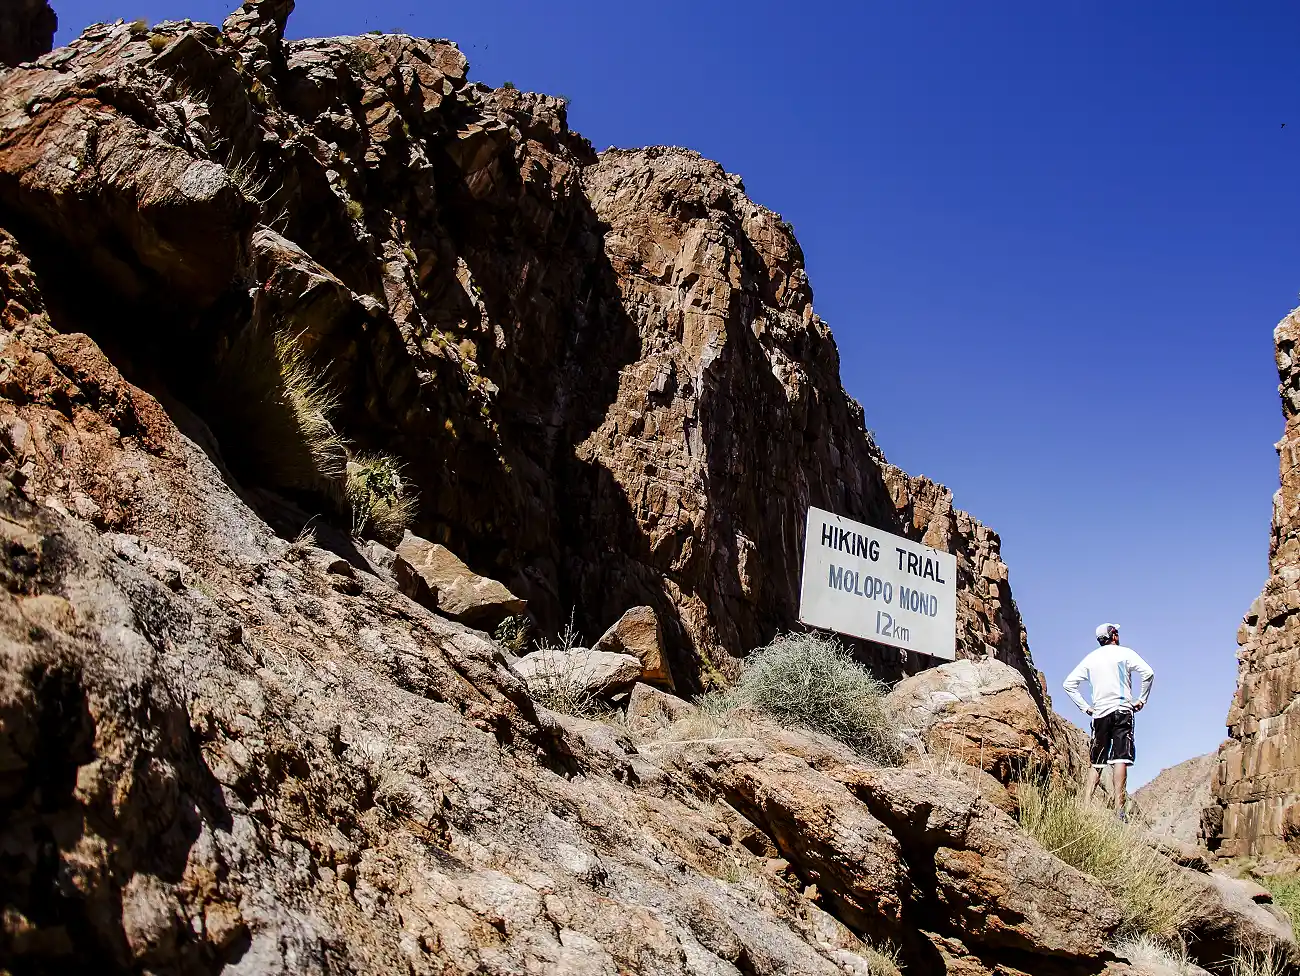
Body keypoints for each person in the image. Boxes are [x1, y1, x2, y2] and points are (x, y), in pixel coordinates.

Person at [1062, 623, 1155, 816]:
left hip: (1100, 714)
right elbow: (1148, 673)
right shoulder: (1125, 653)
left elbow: (1068, 684)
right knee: (1120, 759)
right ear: (1114, 636)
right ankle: (1119, 810)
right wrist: (1142, 700)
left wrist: (1086, 708)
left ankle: (1085, 806)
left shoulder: (1090, 659)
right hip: (1122, 710)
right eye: (1117, 632)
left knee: (1097, 761)